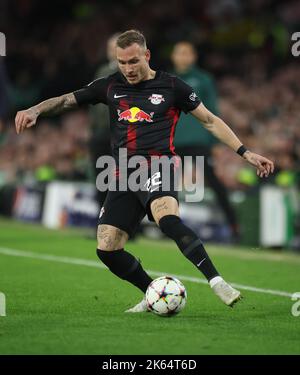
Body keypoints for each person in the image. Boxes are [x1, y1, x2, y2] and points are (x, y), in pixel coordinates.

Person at [15, 30, 274, 312]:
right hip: (124, 173)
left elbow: (210, 121)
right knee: (107, 247)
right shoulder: (110, 85)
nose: (128, 69)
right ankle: (152, 294)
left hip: (160, 164)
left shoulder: (173, 87)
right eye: (122, 63)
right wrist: (35, 110)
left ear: (146, 56)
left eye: (133, 61)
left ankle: (217, 281)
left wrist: (245, 152)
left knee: (167, 218)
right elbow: (67, 100)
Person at [171, 41, 240, 241]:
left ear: (193, 57)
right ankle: (166, 225)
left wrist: (216, 143)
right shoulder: (168, 80)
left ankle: (234, 226)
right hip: (173, 142)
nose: (183, 57)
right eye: (179, 53)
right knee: (166, 186)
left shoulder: (203, 79)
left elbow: (213, 112)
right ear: (174, 56)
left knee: (215, 183)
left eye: (187, 53)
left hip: (199, 142)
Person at [89, 33, 120, 209]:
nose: (112, 52)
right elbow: (93, 102)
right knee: (101, 178)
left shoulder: (131, 72)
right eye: (110, 48)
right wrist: (92, 129)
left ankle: (129, 226)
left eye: (115, 48)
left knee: (123, 179)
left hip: (121, 134)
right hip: (100, 133)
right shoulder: (102, 71)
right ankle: (102, 223)